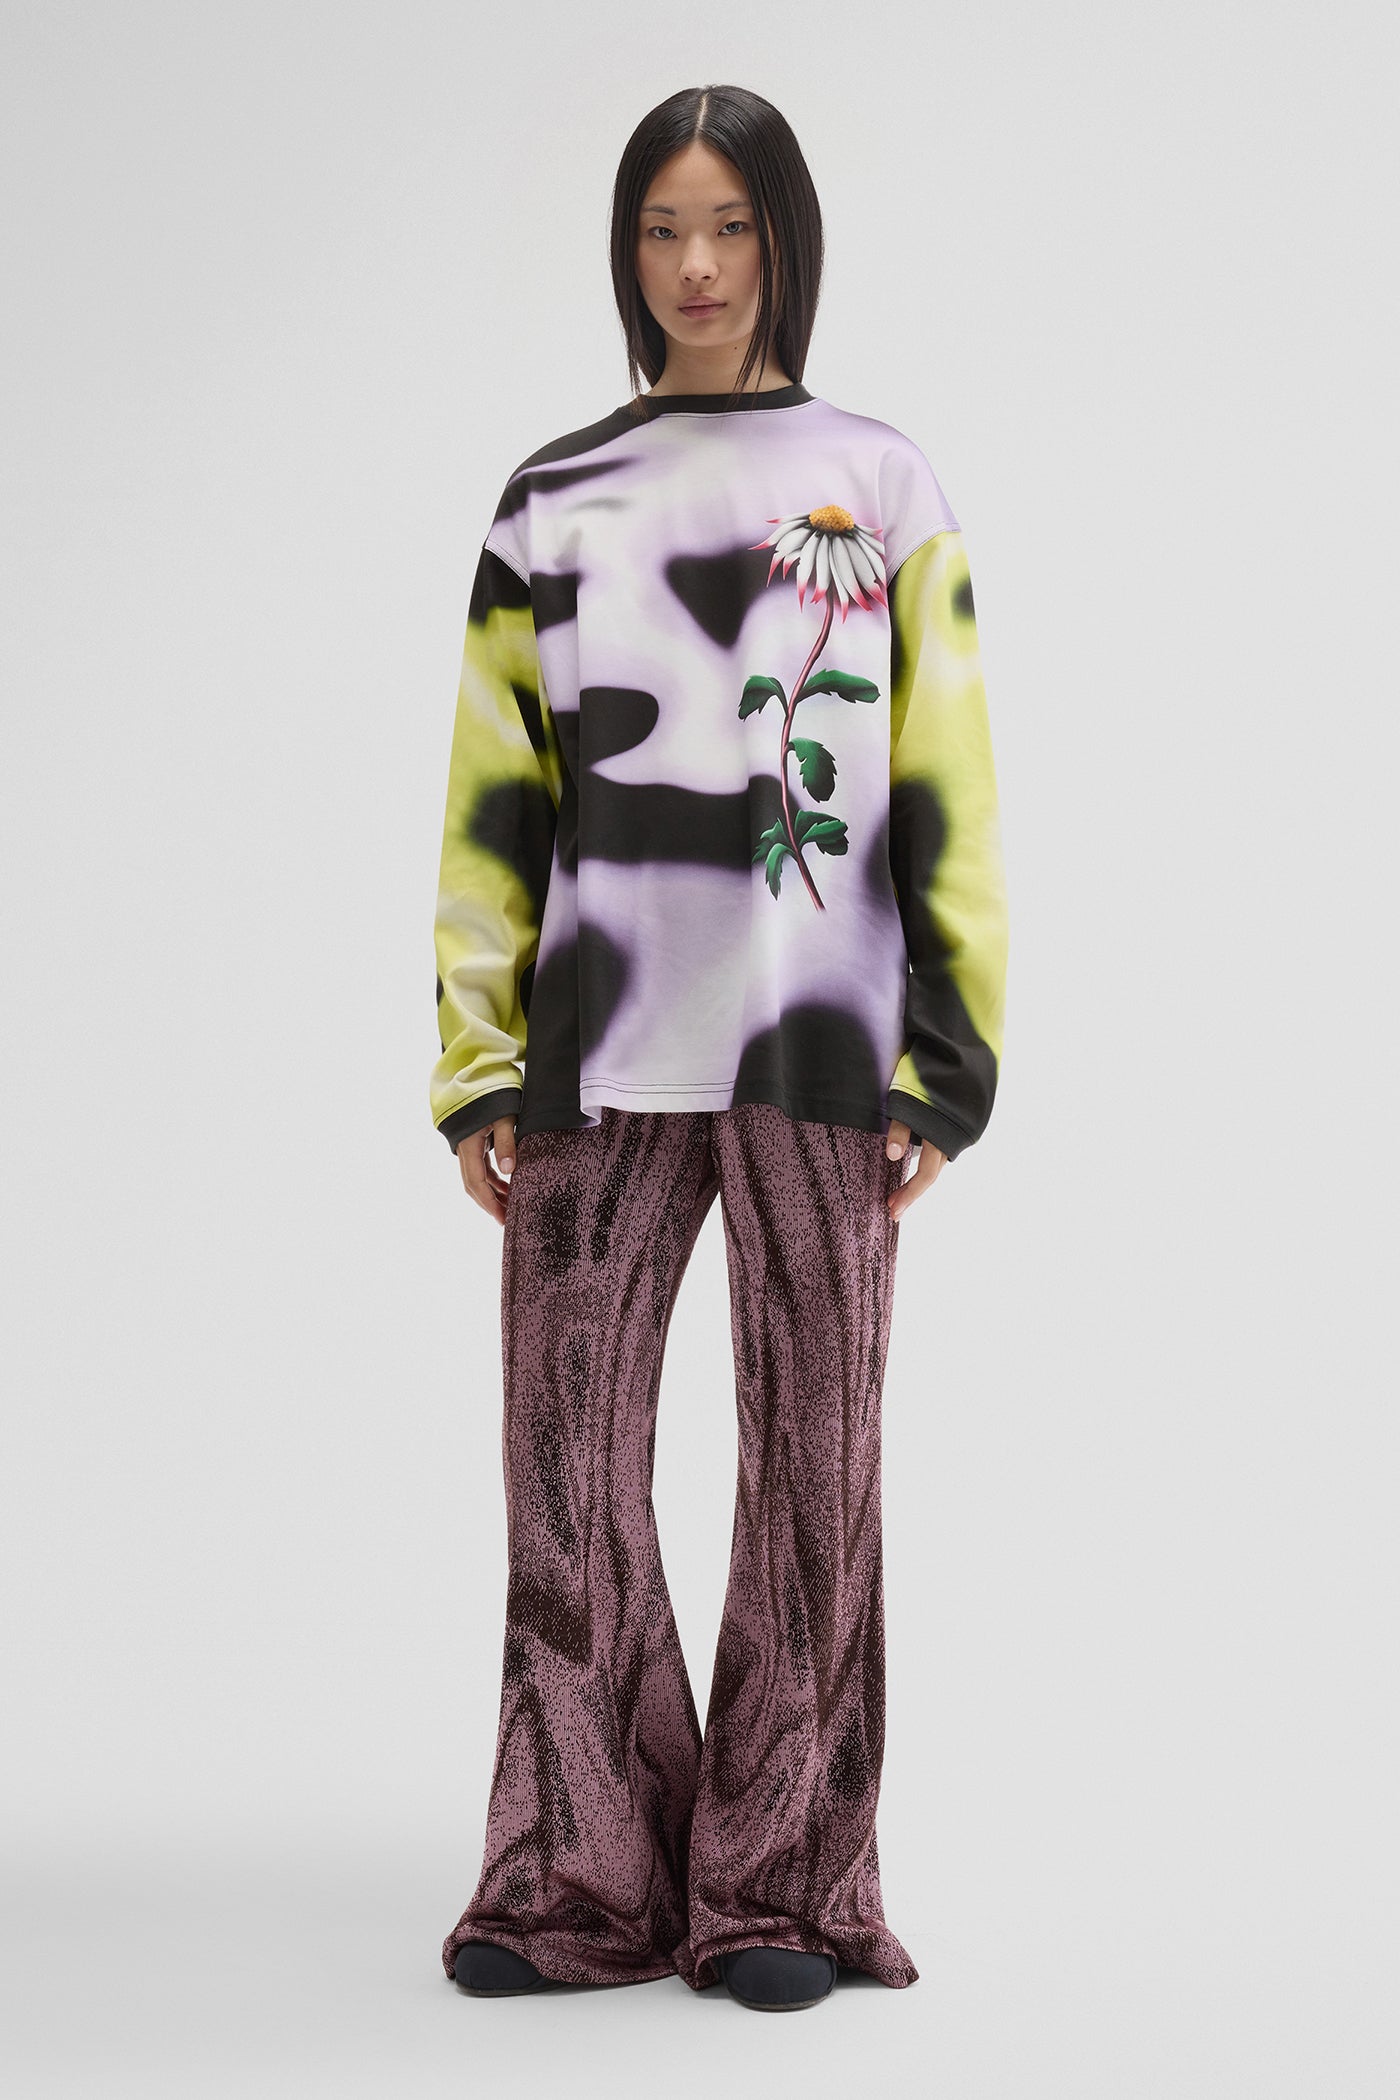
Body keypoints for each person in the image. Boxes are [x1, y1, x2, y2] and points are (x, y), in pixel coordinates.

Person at [429, 82, 1009, 2015]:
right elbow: (494, 803)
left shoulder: (882, 486)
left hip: (817, 1054)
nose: (694, 264)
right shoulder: (552, 498)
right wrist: (478, 1057)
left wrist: (947, 1057)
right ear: (627, 250)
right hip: (594, 1057)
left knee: (814, 1471)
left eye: (730, 226)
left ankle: (775, 1883)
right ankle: (577, 1869)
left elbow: (946, 788)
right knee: (564, 1474)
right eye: (663, 228)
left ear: (784, 241)